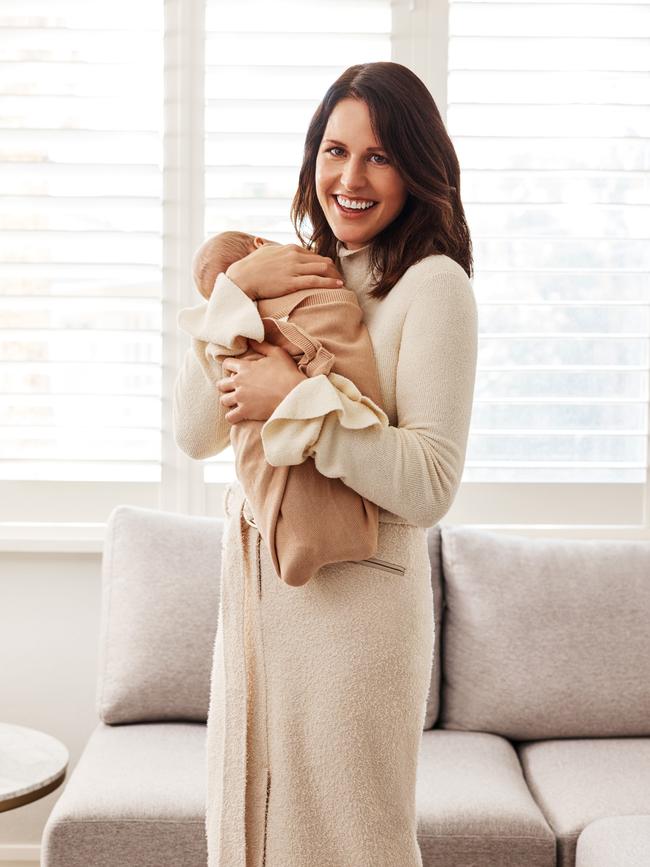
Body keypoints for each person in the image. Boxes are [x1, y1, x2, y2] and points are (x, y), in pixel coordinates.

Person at [173, 60, 478, 867]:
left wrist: (298, 404)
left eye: (379, 156)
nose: (351, 176)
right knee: (248, 829)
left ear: (417, 169)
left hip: (360, 615)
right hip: (260, 596)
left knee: (353, 840)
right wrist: (232, 294)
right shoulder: (292, 275)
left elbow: (430, 482)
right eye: (335, 150)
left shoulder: (432, 287)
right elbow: (195, 431)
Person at [177, 229, 390, 586]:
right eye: (221, 299)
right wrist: (239, 287)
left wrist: (292, 392)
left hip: (360, 586)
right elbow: (194, 439)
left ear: (260, 247)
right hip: (253, 601)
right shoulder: (247, 298)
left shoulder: (321, 281)